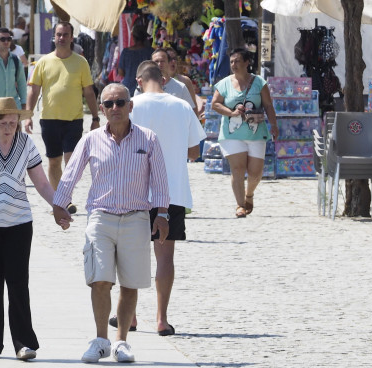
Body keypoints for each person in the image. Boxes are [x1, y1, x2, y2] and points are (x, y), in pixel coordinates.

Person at [51, 83, 170, 364]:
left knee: (130, 284)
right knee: (99, 280)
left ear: (131, 106)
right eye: (109, 104)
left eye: (120, 102)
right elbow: (71, 173)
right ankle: (101, 339)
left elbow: (160, 180)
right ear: (101, 109)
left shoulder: (148, 139)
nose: (115, 108)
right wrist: (59, 205)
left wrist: (162, 214)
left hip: (136, 218)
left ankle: (121, 342)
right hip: (100, 217)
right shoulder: (91, 140)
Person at [113, 61, 205, 337]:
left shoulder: (131, 106)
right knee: (165, 257)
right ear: (164, 79)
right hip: (172, 192)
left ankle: (129, 317)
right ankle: (162, 319)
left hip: (135, 191)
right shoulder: (181, 106)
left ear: (139, 81)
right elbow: (194, 152)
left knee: (130, 256)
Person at [0, 97, 57, 361]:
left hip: (18, 224)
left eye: (13, 123)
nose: (9, 127)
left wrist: (58, 206)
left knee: (18, 285)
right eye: (3, 123)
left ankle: (24, 343)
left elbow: (41, 183)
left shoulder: (26, 143)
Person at [25, 21, 100, 190]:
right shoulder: (44, 62)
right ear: (54, 37)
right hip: (49, 119)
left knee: (72, 160)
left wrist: (95, 118)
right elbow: (34, 90)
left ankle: (66, 195)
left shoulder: (81, 62)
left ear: (72, 37)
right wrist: (28, 116)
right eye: (59, 34)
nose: (62, 38)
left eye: (65, 34)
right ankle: (58, 200)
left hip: (73, 120)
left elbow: (88, 92)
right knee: (54, 160)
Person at [211, 48, 278, 217]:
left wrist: (274, 125)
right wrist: (231, 112)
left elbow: (268, 105)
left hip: (256, 132)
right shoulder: (224, 83)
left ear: (247, 62)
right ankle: (240, 205)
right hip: (231, 133)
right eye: (232, 61)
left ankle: (249, 194)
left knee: (255, 173)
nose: (233, 65)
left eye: (237, 61)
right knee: (238, 169)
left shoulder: (259, 82)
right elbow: (215, 104)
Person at [115, 24, 153, 96]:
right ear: (145, 37)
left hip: (128, 88)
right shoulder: (150, 52)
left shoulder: (126, 52)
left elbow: (121, 72)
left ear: (133, 37)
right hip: (145, 88)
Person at [167, 47, 203, 116]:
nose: (173, 61)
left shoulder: (185, 81)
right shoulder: (157, 82)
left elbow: (194, 107)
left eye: (175, 59)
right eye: (170, 59)